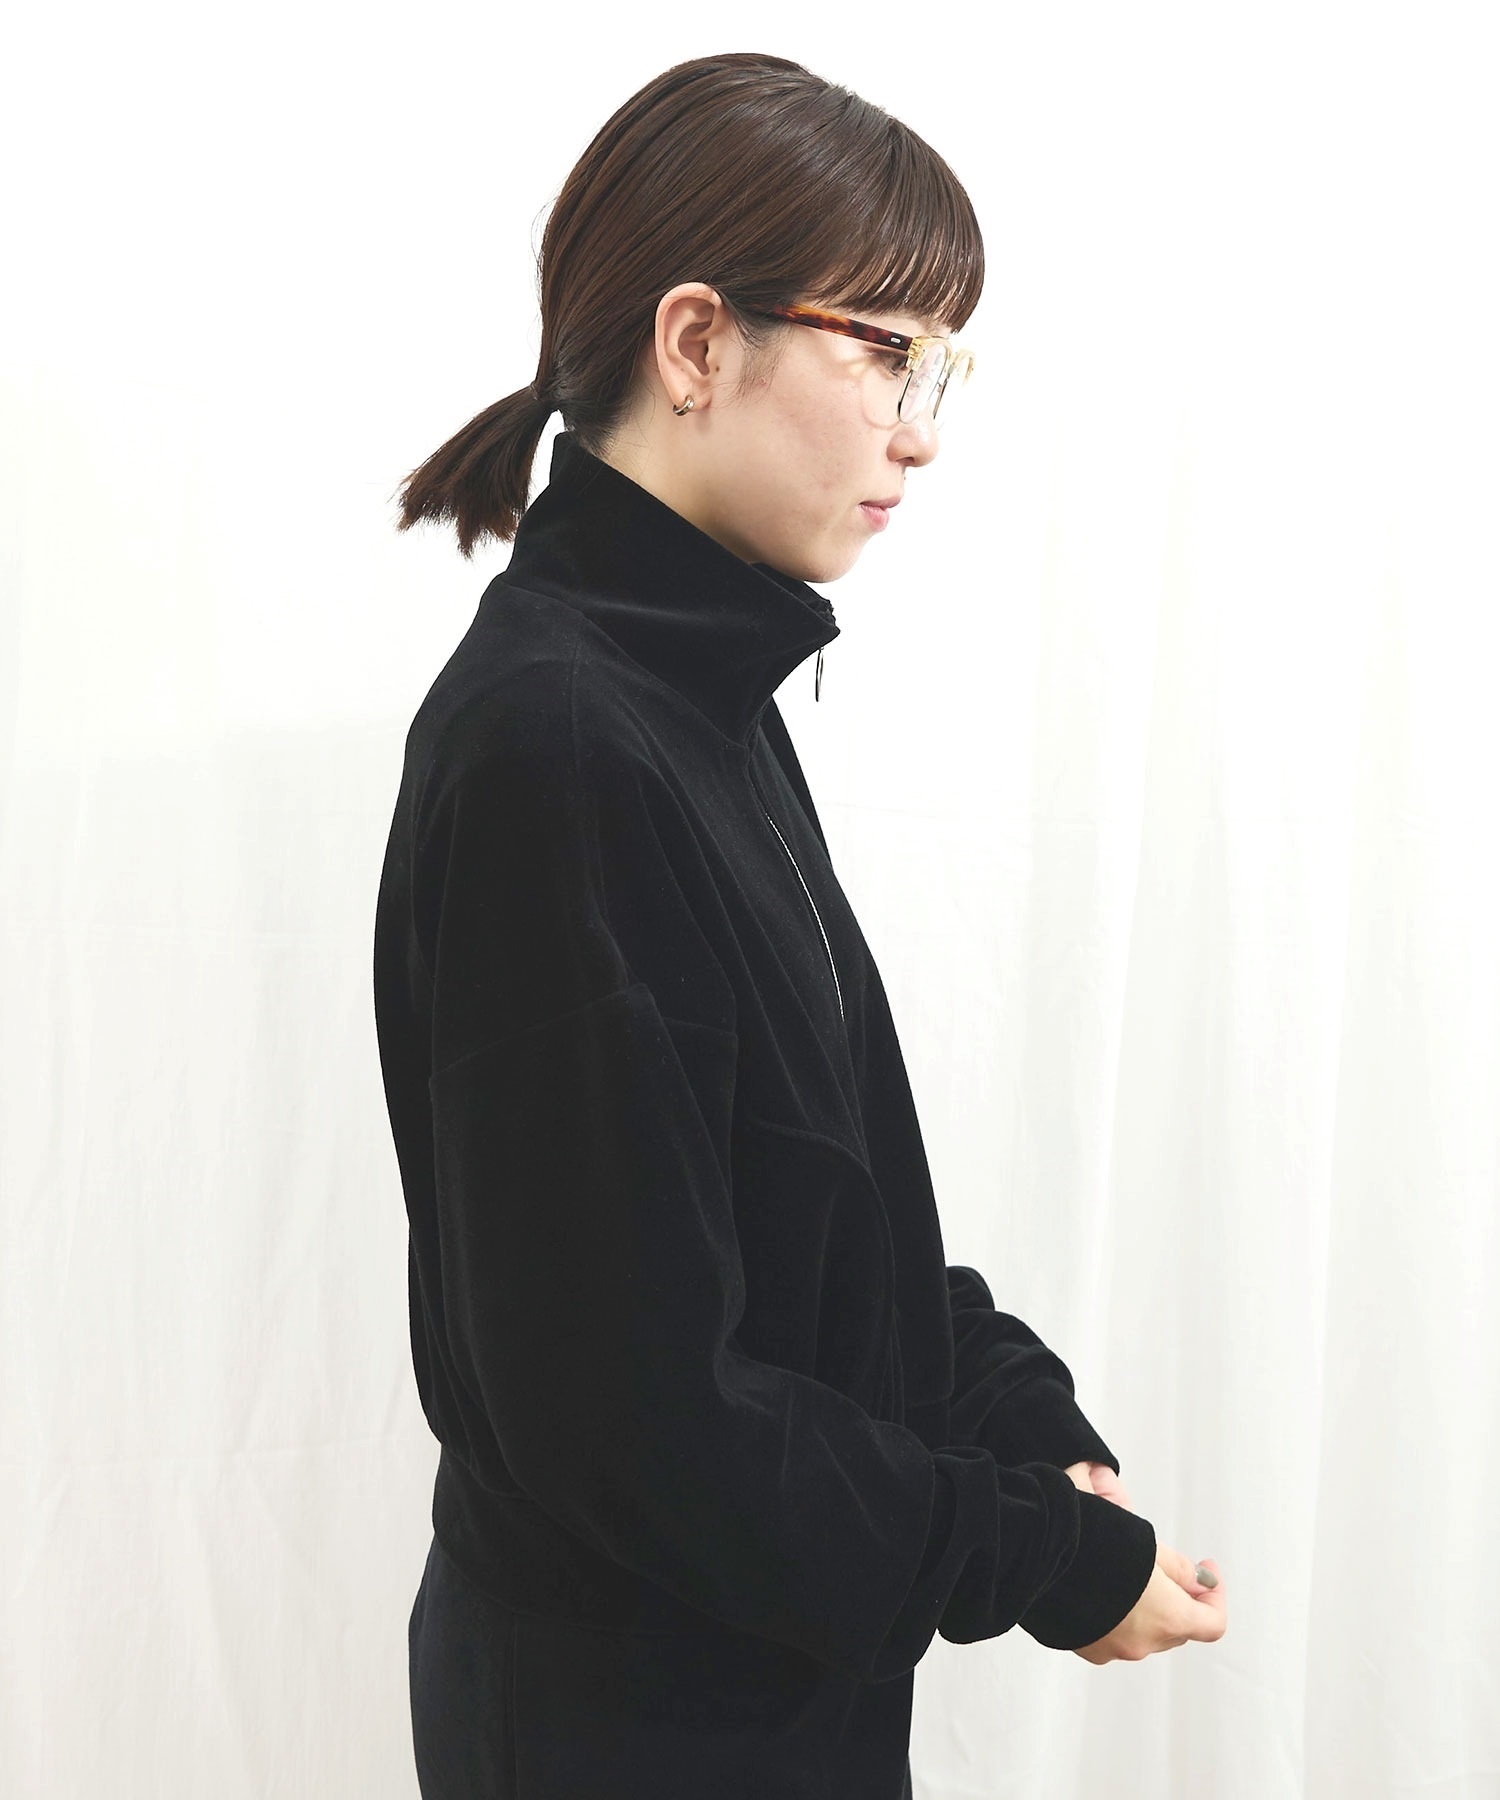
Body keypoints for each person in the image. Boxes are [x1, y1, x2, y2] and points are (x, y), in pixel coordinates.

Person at [373, 50, 1226, 1800]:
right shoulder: (560, 743)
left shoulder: (696, 701)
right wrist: (1033, 1554)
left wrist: (1014, 1425)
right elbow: (637, 1414)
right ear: (697, 343)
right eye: (887, 351)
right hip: (631, 1728)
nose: (922, 427)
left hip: (760, 1688)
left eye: (944, 366)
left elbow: (803, 1216)